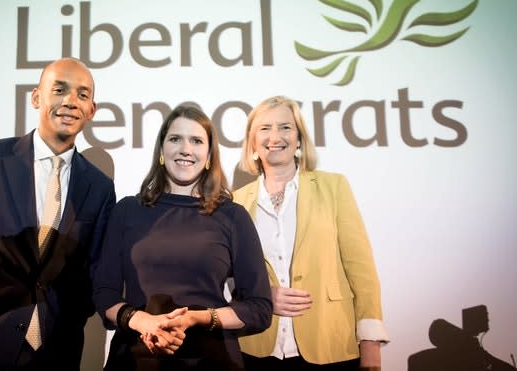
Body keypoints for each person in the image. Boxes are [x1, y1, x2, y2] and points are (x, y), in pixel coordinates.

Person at [0, 57, 116, 371]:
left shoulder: (99, 187)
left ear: (92, 111)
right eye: (60, 89)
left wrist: (64, 321)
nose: (70, 101)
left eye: (82, 95)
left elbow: (92, 272)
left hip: (57, 352)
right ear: (36, 97)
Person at [93, 104, 272, 370]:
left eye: (197, 141)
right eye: (175, 139)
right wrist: (143, 321)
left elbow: (259, 309)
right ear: (162, 150)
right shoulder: (127, 210)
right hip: (134, 359)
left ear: (209, 154)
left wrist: (195, 319)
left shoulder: (233, 217)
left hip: (212, 360)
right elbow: (104, 293)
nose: (185, 149)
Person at [233, 96, 389, 370]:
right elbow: (230, 277)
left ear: (299, 139)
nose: (275, 136)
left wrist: (370, 342)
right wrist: (261, 296)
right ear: (252, 142)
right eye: (265, 128)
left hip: (331, 347)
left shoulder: (334, 187)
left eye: (285, 127)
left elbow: (361, 268)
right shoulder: (235, 203)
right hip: (258, 350)